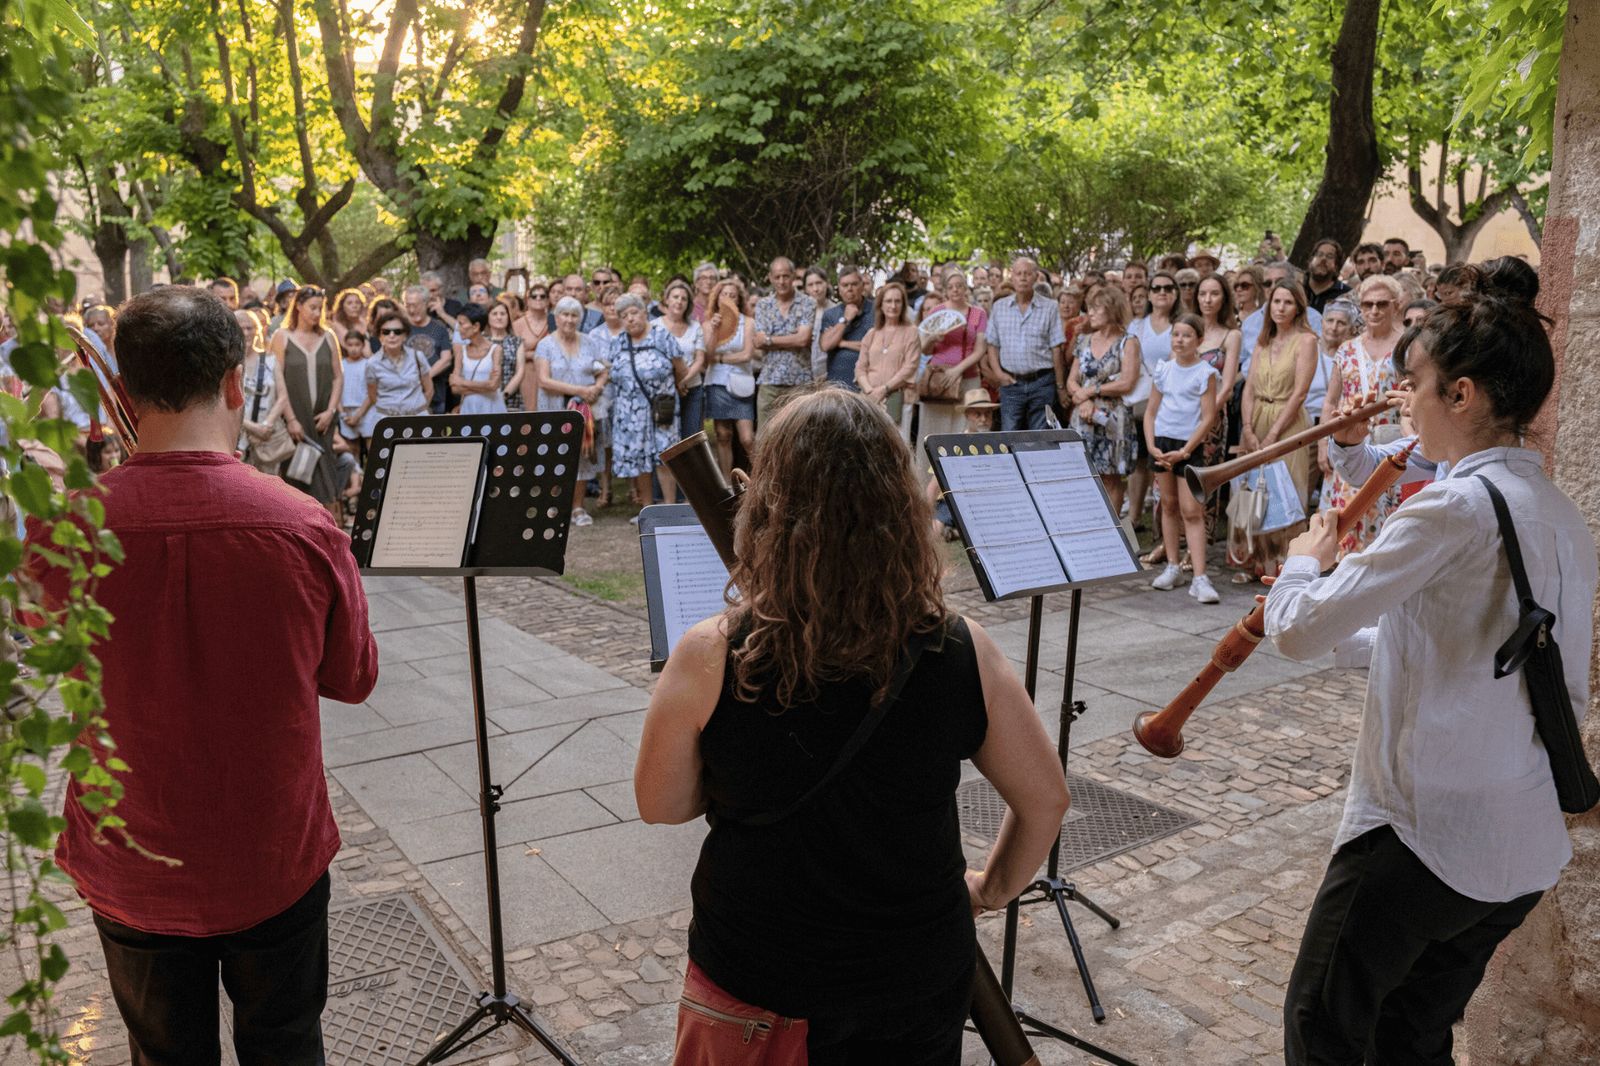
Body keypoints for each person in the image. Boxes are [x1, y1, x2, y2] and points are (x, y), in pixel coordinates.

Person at [634, 388, 1069, 1063]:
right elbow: (1046, 798)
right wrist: (992, 887)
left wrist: (738, 772)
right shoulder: (960, 648)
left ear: (767, 505)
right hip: (914, 981)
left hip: (761, 980)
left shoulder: (710, 652)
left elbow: (662, 805)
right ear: (899, 507)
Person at [25, 286, 378, 1064]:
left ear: (121, 393)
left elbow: (37, 641)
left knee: (162, 1053)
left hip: (132, 859)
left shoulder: (69, 533)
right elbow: (352, 677)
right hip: (269, 854)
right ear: (232, 383)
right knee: (285, 1044)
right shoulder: (304, 525)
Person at [1265, 281, 1594, 1066]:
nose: (1406, 404)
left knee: (1321, 1029)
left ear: (1462, 392)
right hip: (1516, 844)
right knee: (1409, 1037)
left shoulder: (1452, 508)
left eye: (1414, 386)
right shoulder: (1558, 513)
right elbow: (1459, 646)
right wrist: (1350, 625)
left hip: (1426, 835)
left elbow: (1297, 630)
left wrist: (1301, 567)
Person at [1321, 274, 1406, 552]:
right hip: (1349, 446)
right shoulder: (1347, 350)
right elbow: (1331, 400)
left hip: (1392, 446)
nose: (1374, 311)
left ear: (1395, 305)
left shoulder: (1407, 347)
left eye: (1382, 304)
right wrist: (1324, 443)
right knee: (1346, 521)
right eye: (1368, 304)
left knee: (1387, 528)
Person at [1239, 280, 1316, 580]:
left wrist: (1272, 436)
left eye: (1288, 302)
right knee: (1258, 492)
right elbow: (1248, 388)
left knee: (1288, 495)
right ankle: (1262, 563)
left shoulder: (1306, 340)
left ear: (1298, 307)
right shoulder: (1263, 341)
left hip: (1289, 421)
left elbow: (1300, 393)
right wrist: (1248, 428)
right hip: (1257, 416)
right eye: (1276, 301)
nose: (1281, 308)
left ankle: (1289, 568)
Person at [1144, 313, 1220, 602]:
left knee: (1192, 510)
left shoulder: (1205, 373)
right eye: (1176, 334)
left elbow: (1208, 416)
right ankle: (1172, 565)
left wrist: (1187, 450)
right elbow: (1151, 411)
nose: (1180, 340)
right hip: (1162, 443)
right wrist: (1151, 445)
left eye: (1187, 335)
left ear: (1199, 340)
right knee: (1168, 505)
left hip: (1188, 446)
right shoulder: (1163, 369)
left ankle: (1200, 576)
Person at [1065, 285, 1142, 513]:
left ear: (1112, 309)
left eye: (1097, 308)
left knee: (1110, 478)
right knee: (1083, 475)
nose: (1091, 313)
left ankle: (1112, 530)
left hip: (1114, 419)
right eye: (1090, 308)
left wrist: (1092, 391)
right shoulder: (1084, 341)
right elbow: (1072, 381)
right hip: (1084, 415)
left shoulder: (1128, 341)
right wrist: (1084, 399)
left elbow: (1127, 383)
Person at [269, 286, 344, 520]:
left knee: (327, 480)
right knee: (296, 479)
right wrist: (290, 419)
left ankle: (332, 533)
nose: (316, 313)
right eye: (312, 307)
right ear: (298, 306)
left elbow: (338, 376)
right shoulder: (282, 337)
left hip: (323, 419)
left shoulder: (328, 336)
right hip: (296, 419)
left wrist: (331, 411)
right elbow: (277, 378)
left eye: (320, 308)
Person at [608, 293, 685, 517]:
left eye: (634, 312)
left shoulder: (662, 336)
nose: (630, 319)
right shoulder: (619, 342)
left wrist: (672, 392)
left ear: (644, 312)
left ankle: (669, 509)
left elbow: (681, 369)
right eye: (624, 315)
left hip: (661, 411)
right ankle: (648, 510)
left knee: (664, 458)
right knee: (640, 460)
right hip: (629, 412)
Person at [536, 297, 609, 526]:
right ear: (556, 317)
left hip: (583, 411)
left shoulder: (589, 342)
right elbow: (543, 380)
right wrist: (579, 389)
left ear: (580, 318)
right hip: (554, 409)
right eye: (564, 315)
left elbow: (603, 370)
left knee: (582, 456)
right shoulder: (545, 344)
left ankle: (578, 508)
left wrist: (596, 388)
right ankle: (555, 507)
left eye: (574, 315)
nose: (569, 319)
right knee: (555, 457)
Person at [1123, 270, 1177, 541]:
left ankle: (1163, 523)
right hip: (1141, 400)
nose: (1162, 292)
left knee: (1163, 460)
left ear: (1175, 292)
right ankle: (1134, 516)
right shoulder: (1137, 326)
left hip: (1173, 402)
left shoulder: (1180, 325)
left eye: (1168, 287)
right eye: (1156, 288)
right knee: (1139, 460)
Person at [982, 256, 1065, 431]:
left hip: (1042, 381)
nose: (1023, 277)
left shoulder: (1050, 307)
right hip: (1011, 383)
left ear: (1036, 277)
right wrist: (998, 374)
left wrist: (1060, 386)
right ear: (1012, 277)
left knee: (1039, 436)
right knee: (1009, 434)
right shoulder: (1000, 307)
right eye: (1018, 273)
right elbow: (992, 345)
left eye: (1027, 273)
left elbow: (1056, 348)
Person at [914, 269, 989, 449]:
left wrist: (957, 370)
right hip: (939, 378)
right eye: (951, 287)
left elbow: (979, 350)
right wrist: (932, 339)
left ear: (966, 288)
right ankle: (929, 475)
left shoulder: (978, 313)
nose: (955, 290)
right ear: (945, 290)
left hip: (968, 376)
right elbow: (925, 349)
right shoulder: (936, 311)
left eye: (959, 286)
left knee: (964, 428)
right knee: (934, 429)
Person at [1194, 273, 1242, 548]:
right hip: (1179, 415)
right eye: (1202, 293)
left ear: (1224, 298)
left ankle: (1199, 542)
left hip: (1211, 416)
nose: (1208, 299)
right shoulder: (1188, 326)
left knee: (1203, 479)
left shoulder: (1230, 334)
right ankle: (1171, 541)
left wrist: (1209, 414)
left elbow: (1229, 382)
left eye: (1214, 294)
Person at [752, 257, 816, 427]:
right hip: (769, 380)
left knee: (800, 435)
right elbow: (758, 342)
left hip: (800, 381)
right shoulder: (762, 305)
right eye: (777, 277)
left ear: (794, 276)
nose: (781, 281)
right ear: (770, 277)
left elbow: (802, 340)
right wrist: (791, 338)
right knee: (766, 437)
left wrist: (769, 339)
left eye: (786, 276)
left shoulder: (807, 303)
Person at [348, 309, 434, 436]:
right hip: (387, 422)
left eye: (397, 332)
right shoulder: (372, 363)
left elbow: (429, 389)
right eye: (386, 332)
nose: (392, 336)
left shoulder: (417, 357)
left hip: (418, 420)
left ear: (405, 335)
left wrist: (418, 409)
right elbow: (373, 396)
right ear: (380, 336)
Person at [702, 278, 755, 478]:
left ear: (739, 299)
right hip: (716, 383)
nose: (728, 298)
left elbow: (746, 355)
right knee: (723, 435)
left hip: (741, 382)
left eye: (733, 295)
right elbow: (707, 357)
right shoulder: (708, 324)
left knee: (747, 438)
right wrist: (715, 331)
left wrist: (721, 358)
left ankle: (761, 477)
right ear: (716, 299)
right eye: (724, 294)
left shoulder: (748, 323)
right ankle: (727, 482)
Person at [854, 282, 920, 433]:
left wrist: (884, 389)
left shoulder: (911, 332)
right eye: (888, 301)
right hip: (869, 398)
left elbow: (910, 367)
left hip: (898, 398)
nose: (893, 305)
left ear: (903, 305)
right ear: (881, 305)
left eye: (897, 301)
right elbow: (860, 368)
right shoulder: (872, 333)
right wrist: (870, 391)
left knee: (898, 444)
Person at [236, 309, 292, 476]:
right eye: (241, 328)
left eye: (250, 328)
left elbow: (282, 397)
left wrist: (266, 425)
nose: (246, 333)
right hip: (238, 439)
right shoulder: (227, 363)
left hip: (267, 438)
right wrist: (252, 427)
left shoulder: (270, 360)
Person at [658, 279, 707, 443]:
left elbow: (700, 360)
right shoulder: (654, 326)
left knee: (692, 439)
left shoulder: (695, 326)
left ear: (688, 303)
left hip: (692, 389)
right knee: (667, 439)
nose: (679, 301)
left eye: (684, 298)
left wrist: (682, 382)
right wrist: (675, 384)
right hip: (664, 392)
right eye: (675, 297)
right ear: (667, 299)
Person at [401, 284, 455, 413]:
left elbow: (446, 359)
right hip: (405, 394)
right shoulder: (400, 328)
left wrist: (424, 378)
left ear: (426, 303)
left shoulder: (439, 327)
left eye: (416, 305)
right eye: (408, 305)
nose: (412, 310)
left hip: (436, 395)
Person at [817, 267, 874, 386]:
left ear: (862, 285)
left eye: (854, 284)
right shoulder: (831, 314)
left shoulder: (877, 311)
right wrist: (845, 319)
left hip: (869, 384)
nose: (850, 289)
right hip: (837, 384)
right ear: (839, 289)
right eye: (845, 285)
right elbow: (825, 345)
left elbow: (876, 347)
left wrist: (842, 343)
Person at [450, 304, 507, 416]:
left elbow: (494, 385)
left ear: (476, 326)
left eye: (461, 324)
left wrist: (462, 382)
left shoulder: (495, 350)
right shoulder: (460, 351)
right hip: (469, 407)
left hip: (492, 407)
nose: (458, 328)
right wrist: (486, 387)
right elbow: (454, 388)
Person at [336, 328, 376, 462]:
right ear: (345, 345)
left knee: (372, 448)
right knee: (352, 449)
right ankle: (356, 480)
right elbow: (336, 391)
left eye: (357, 345)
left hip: (366, 410)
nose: (353, 349)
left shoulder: (368, 364)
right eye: (350, 345)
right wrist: (343, 414)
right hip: (346, 412)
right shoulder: (340, 365)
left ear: (363, 345)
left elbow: (372, 393)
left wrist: (358, 414)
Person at [803, 267, 835, 381]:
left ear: (827, 283)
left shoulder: (836, 310)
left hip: (829, 375)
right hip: (805, 376)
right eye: (810, 285)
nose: (815, 289)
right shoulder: (801, 313)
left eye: (819, 283)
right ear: (805, 289)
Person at [1304, 238, 1351, 313]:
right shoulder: (1297, 285)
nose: (1323, 259)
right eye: (1319, 254)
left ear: (1336, 266)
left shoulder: (1345, 294)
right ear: (1311, 260)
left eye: (1330, 256)